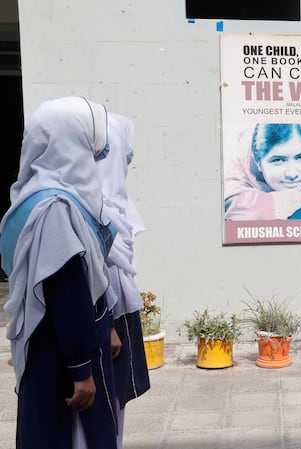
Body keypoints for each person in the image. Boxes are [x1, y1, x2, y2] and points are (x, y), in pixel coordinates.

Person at [0, 96, 118, 448]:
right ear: (73, 140)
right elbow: (68, 292)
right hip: (64, 356)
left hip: (52, 347)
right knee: (71, 436)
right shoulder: (55, 208)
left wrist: (108, 326)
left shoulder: (31, 197)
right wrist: (81, 371)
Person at [97, 112, 151, 448]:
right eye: (120, 154)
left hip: (115, 313)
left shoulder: (115, 201)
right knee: (101, 404)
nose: (124, 162)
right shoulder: (79, 205)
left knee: (114, 405)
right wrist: (109, 328)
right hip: (101, 320)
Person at [224, 123, 301, 220]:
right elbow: (237, 206)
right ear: (258, 162)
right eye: (278, 160)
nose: (292, 174)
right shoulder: (233, 187)